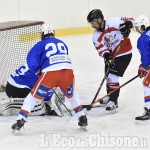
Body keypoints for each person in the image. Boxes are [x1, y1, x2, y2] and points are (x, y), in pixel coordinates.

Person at [11, 23, 87, 132]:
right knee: (72, 94)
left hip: (50, 74)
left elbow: (32, 62)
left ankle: (20, 120)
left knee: (32, 97)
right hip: (68, 72)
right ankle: (82, 117)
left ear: (42, 34)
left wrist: (38, 72)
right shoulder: (62, 43)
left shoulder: (40, 44)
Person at [87, 9, 134, 111]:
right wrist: (107, 56)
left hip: (124, 53)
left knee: (113, 76)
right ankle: (109, 95)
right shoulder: (96, 35)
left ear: (100, 19)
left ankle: (114, 100)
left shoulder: (113, 22)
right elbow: (101, 49)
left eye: (93, 22)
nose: (92, 25)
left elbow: (130, 20)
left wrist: (128, 25)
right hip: (112, 56)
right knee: (108, 76)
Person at [134, 15, 150, 120]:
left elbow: (145, 57)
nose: (137, 30)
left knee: (147, 85)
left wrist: (144, 67)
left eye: (139, 27)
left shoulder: (142, 39)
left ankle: (149, 109)